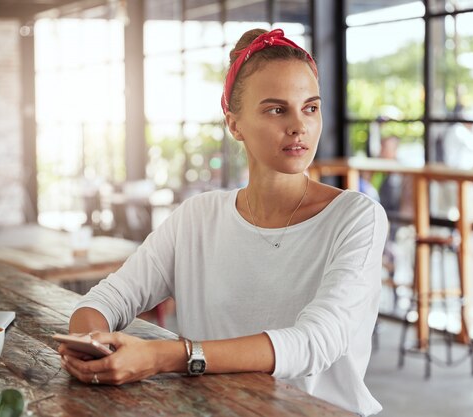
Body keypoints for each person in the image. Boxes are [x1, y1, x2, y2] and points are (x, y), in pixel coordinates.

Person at [58, 28, 388, 417]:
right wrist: (90, 345)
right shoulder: (197, 218)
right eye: (276, 109)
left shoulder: (357, 218)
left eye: (310, 107)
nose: (299, 125)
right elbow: (106, 300)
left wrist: (166, 356)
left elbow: (314, 342)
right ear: (234, 124)